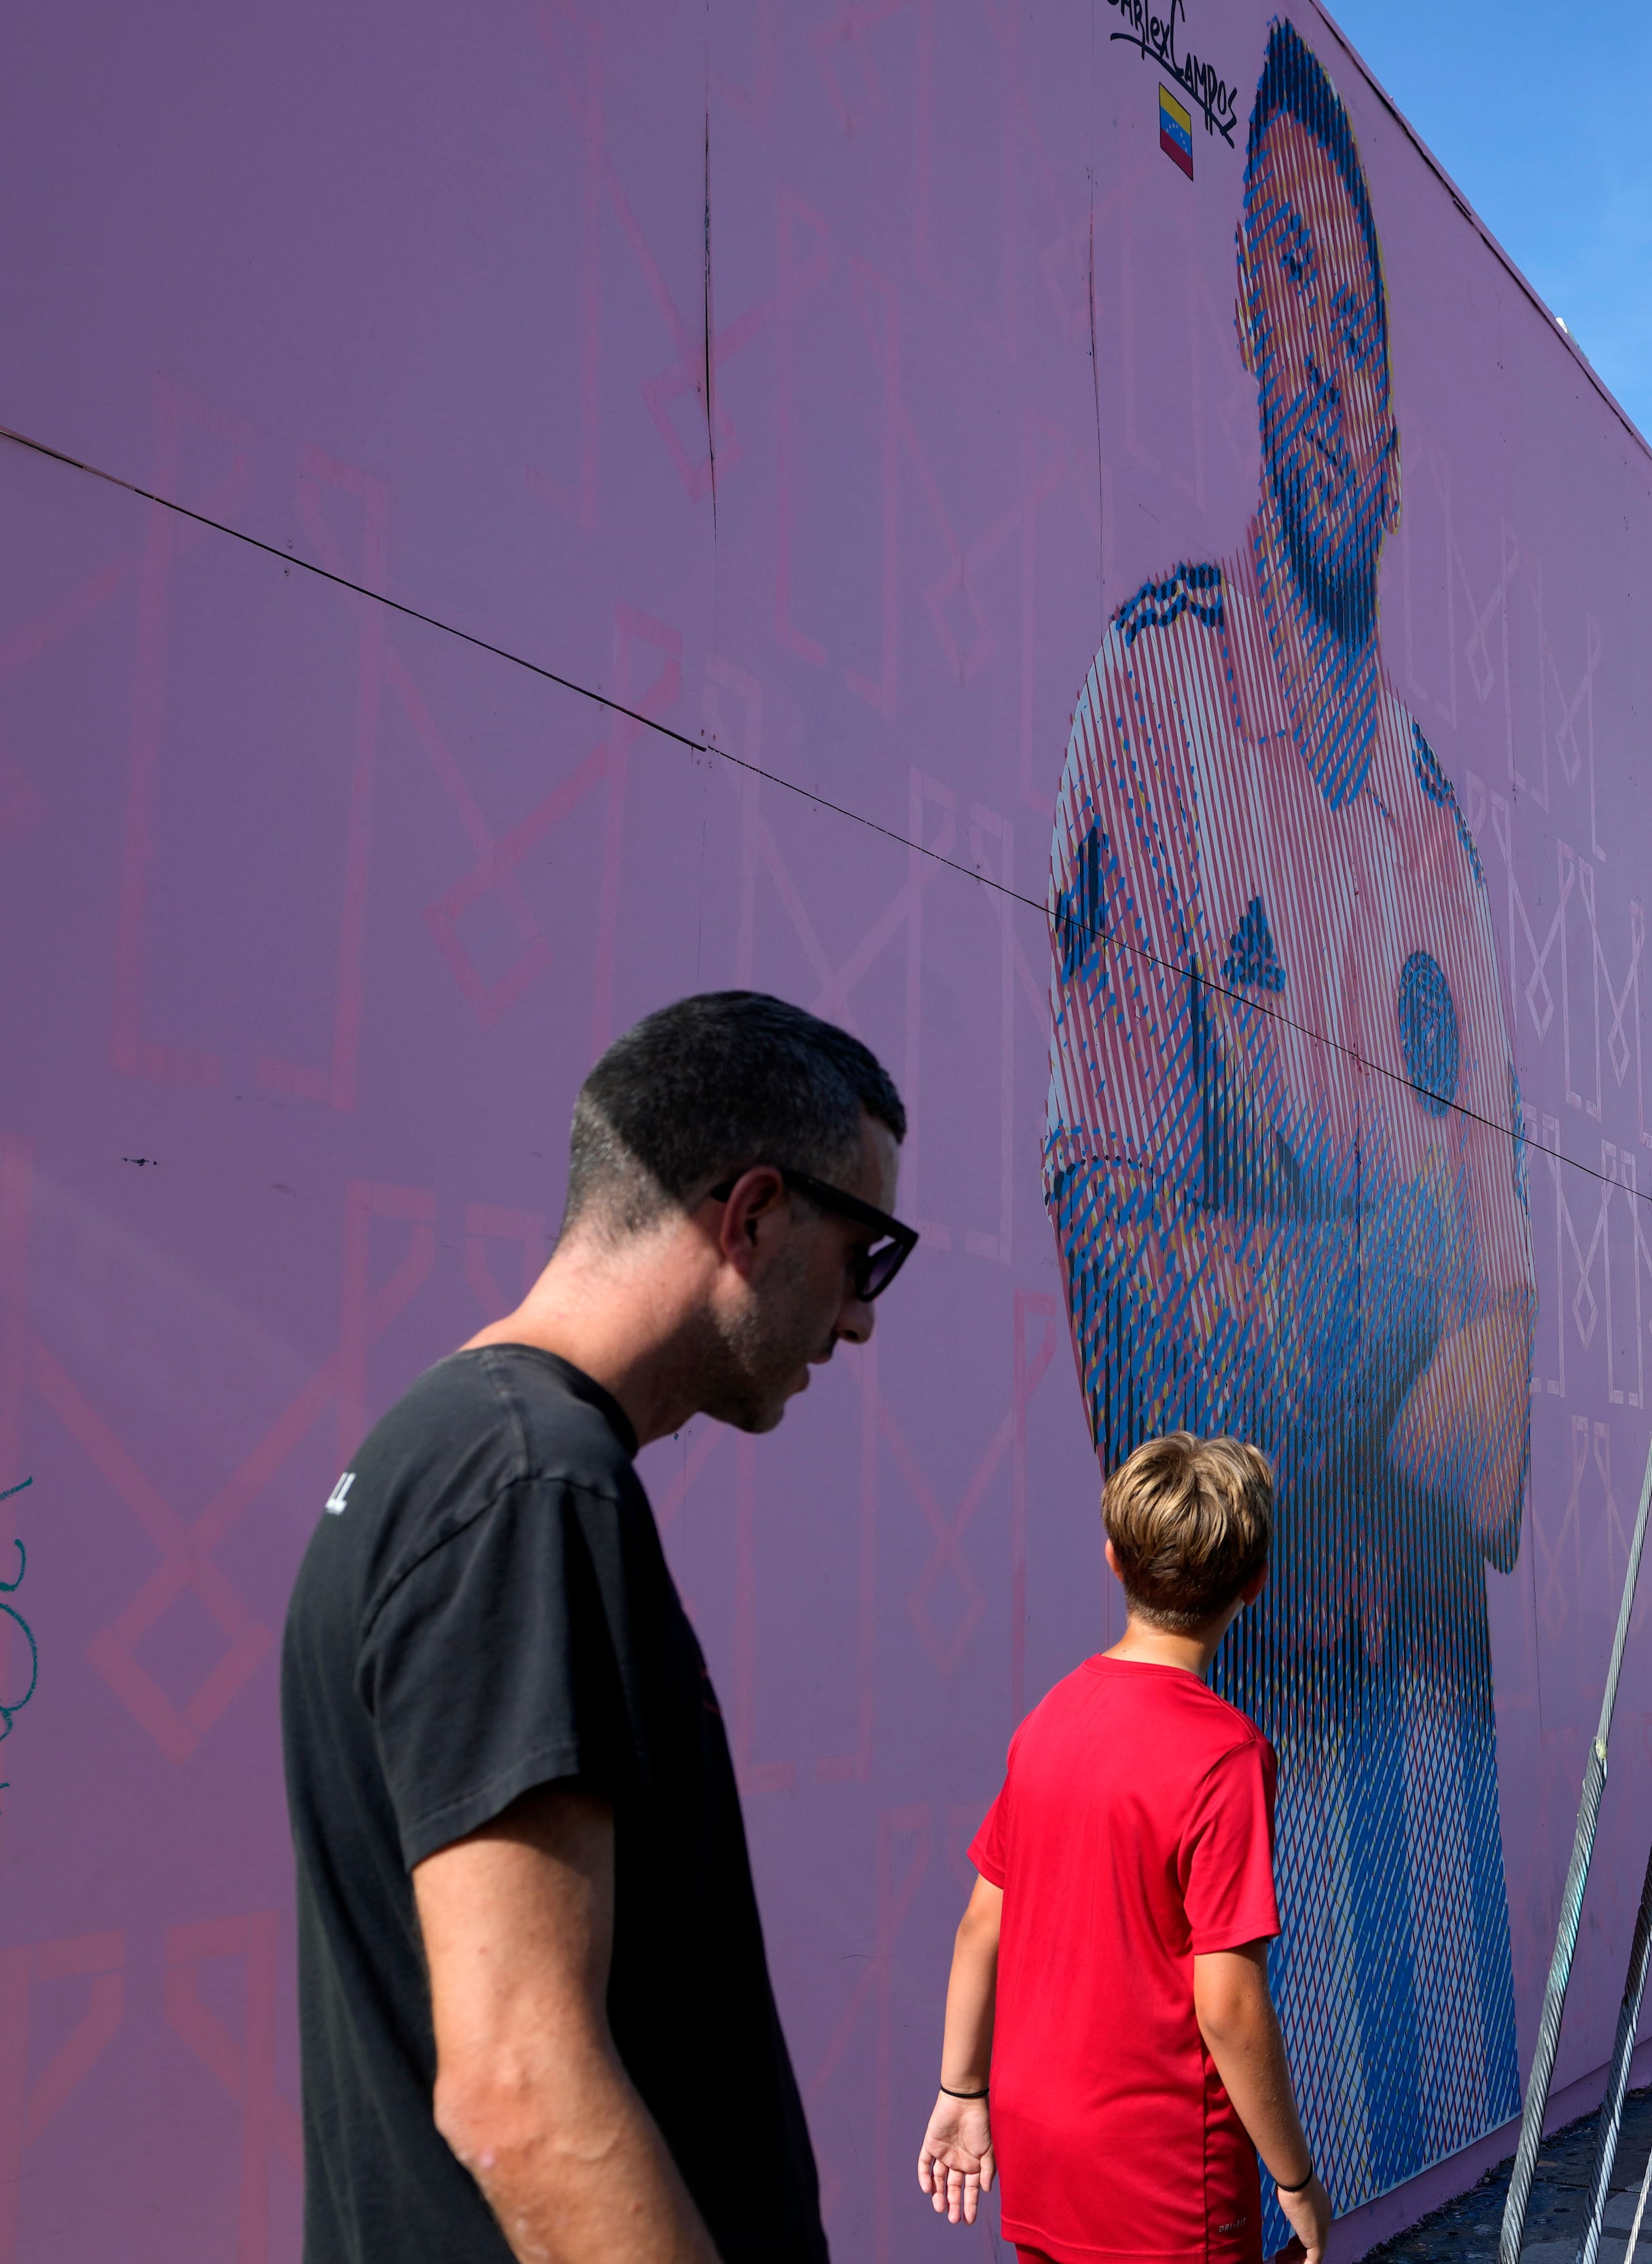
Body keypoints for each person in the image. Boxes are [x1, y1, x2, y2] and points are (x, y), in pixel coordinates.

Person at [1041, 15, 1535, 2182]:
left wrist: (1388, 1316)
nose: (1323, 363)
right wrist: (1410, 1274)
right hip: (1235, 1755)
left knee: (1411, 2165)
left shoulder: (1447, 827)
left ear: (1404, 440)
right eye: (1290, 303)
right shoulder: (1151, 705)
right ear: (1242, 340)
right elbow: (1126, 1313)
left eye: (1363, 328)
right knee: (1243, 2186)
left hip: (1438, 1768)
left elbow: (1503, 1430)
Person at [282, 992, 914, 2263]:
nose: (861, 1318)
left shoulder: (451, 1450)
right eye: (868, 1256)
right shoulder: (529, 1485)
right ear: (753, 1214)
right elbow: (520, 2080)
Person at [917, 1433, 1328, 2264]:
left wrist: (961, 2091)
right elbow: (1228, 2004)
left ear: (1112, 1560)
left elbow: (978, 1928)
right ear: (1255, 1581)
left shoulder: (1048, 1721)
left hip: (1041, 2149)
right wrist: (1295, 2180)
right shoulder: (1226, 1754)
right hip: (1166, 2172)